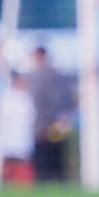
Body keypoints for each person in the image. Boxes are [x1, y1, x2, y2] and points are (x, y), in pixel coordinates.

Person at [28, 46, 75, 182]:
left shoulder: (41, 76)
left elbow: (51, 101)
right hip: (55, 125)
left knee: (45, 164)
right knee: (57, 163)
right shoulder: (56, 74)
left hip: (45, 126)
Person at [0, 72, 36, 187]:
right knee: (7, 160)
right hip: (9, 135)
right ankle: (8, 182)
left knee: (22, 160)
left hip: (21, 135)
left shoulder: (26, 97)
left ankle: (23, 183)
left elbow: (30, 116)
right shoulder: (7, 97)